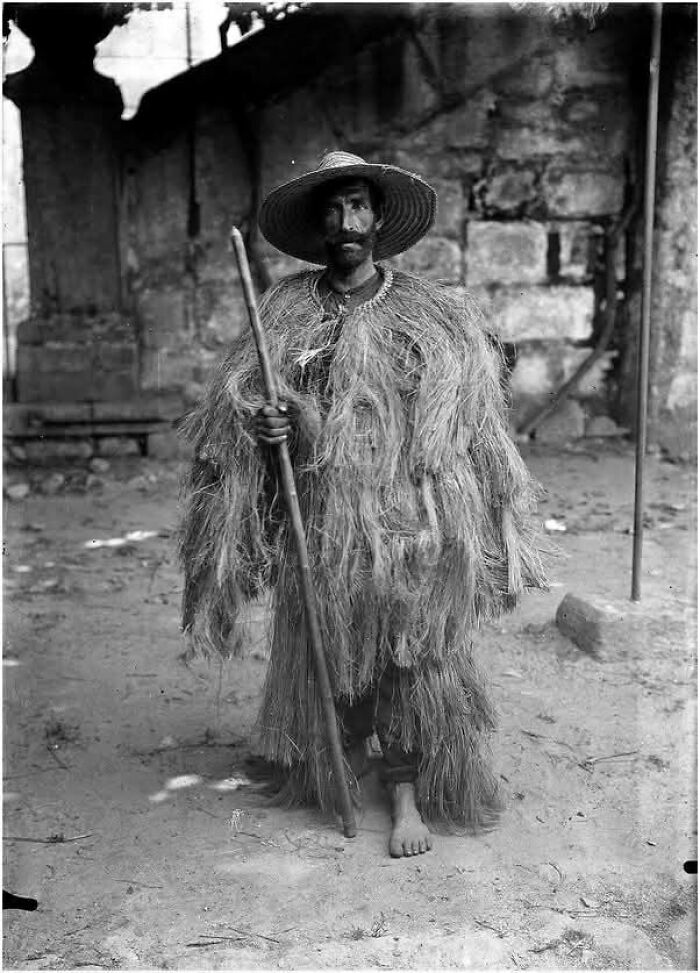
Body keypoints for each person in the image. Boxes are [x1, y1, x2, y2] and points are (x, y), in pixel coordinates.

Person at [180, 151, 546, 858]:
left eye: (356, 206)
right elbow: (240, 406)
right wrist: (269, 422)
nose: (345, 222)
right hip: (322, 519)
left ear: (378, 219)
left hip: (405, 518)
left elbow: (467, 416)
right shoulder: (286, 308)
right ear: (318, 225)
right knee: (336, 648)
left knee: (409, 652)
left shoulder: (427, 312)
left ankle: (406, 793)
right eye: (332, 209)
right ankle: (345, 754)